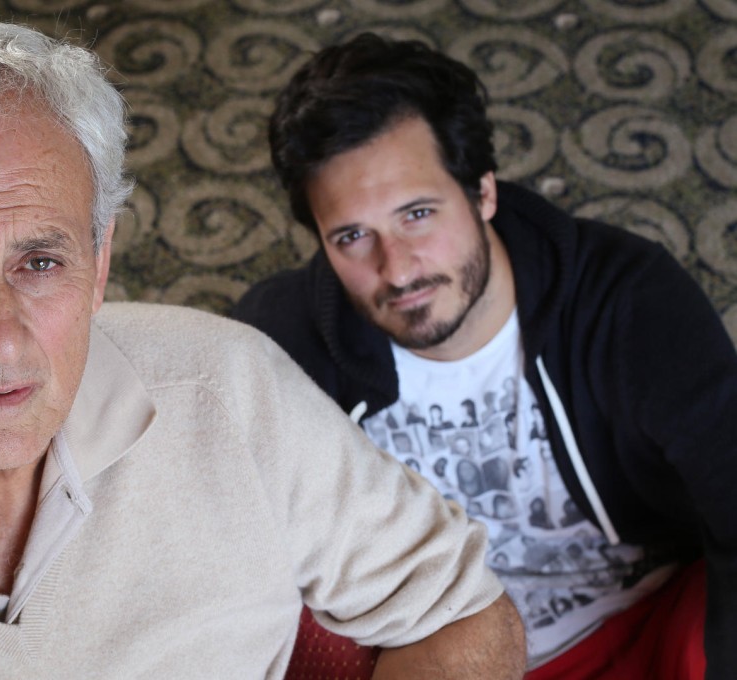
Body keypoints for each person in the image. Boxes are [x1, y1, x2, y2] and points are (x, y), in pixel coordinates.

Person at [0, 10, 526, 679]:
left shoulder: (226, 387)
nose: (1, 337)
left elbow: (457, 613)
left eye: (41, 263)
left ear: (100, 262)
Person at [233, 33, 737, 679]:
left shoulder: (628, 298)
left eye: (418, 213)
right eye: (353, 235)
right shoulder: (278, 342)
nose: (397, 268)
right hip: (438, 651)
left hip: (644, 618)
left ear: (483, 193)